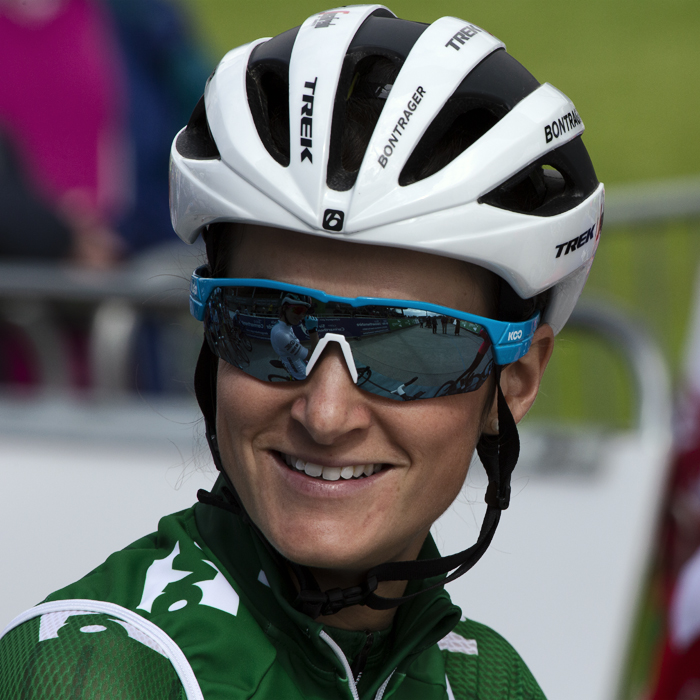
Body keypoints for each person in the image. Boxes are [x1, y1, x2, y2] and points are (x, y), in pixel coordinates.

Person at [0, 6, 604, 699]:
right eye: (267, 327)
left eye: (410, 346)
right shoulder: (98, 673)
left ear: (517, 380)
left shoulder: (484, 680)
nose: (326, 412)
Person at [270, 293, 320, 380]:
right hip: (303, 376)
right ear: (285, 308)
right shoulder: (281, 334)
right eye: (298, 310)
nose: (301, 316)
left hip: (299, 365)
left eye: (304, 312)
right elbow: (315, 356)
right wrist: (313, 331)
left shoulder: (284, 327)